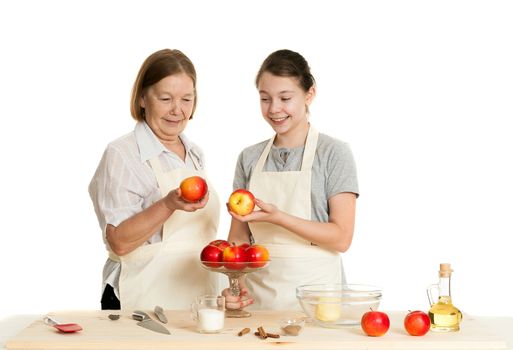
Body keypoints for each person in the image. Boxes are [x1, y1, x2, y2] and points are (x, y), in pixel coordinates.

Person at [225, 49, 359, 310]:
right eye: (265, 99)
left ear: (309, 95)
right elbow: (238, 238)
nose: (274, 109)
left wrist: (279, 217)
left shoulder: (333, 153)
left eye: (285, 98)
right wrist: (234, 280)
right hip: (259, 301)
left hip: (320, 302)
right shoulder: (249, 158)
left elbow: (341, 238)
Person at [89, 49, 219, 310]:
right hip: (141, 297)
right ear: (142, 99)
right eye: (165, 98)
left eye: (186, 99)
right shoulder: (122, 154)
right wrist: (168, 204)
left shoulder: (195, 154)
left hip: (195, 293)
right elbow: (119, 241)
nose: (177, 110)